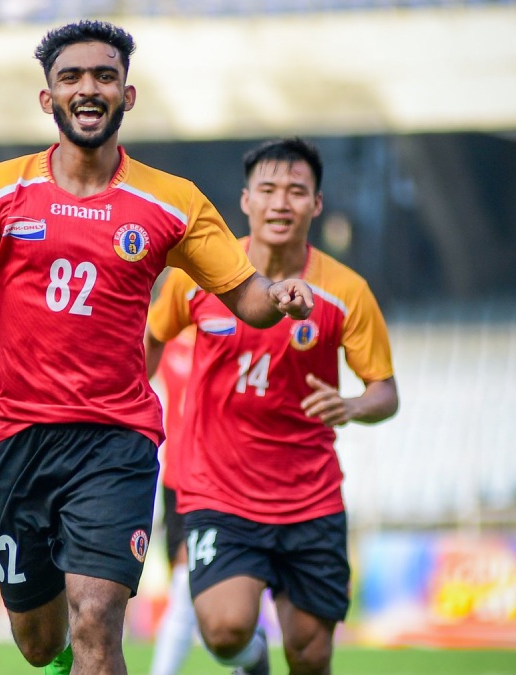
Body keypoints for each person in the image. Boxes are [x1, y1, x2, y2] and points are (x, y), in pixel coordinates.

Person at [0, 20, 314, 675]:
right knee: (40, 641)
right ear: (47, 98)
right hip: (16, 435)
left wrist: (280, 295)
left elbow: (247, 296)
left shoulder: (172, 202)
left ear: (126, 95)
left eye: (105, 76)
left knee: (98, 618)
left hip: (116, 438)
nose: (88, 88)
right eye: (71, 77)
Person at [145, 137, 399, 675]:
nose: (281, 202)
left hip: (310, 498)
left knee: (310, 655)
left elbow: (385, 391)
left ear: (317, 203)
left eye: (296, 191)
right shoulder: (197, 276)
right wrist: (124, 403)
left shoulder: (347, 291)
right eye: (267, 189)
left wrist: (352, 405)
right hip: (218, 493)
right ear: (245, 200)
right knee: (224, 631)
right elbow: (152, 338)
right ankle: (252, 658)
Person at [146, 324, 198, 675]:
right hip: (177, 479)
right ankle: (250, 655)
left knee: (186, 588)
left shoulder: (236, 326)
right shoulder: (167, 331)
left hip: (222, 482)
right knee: (192, 593)